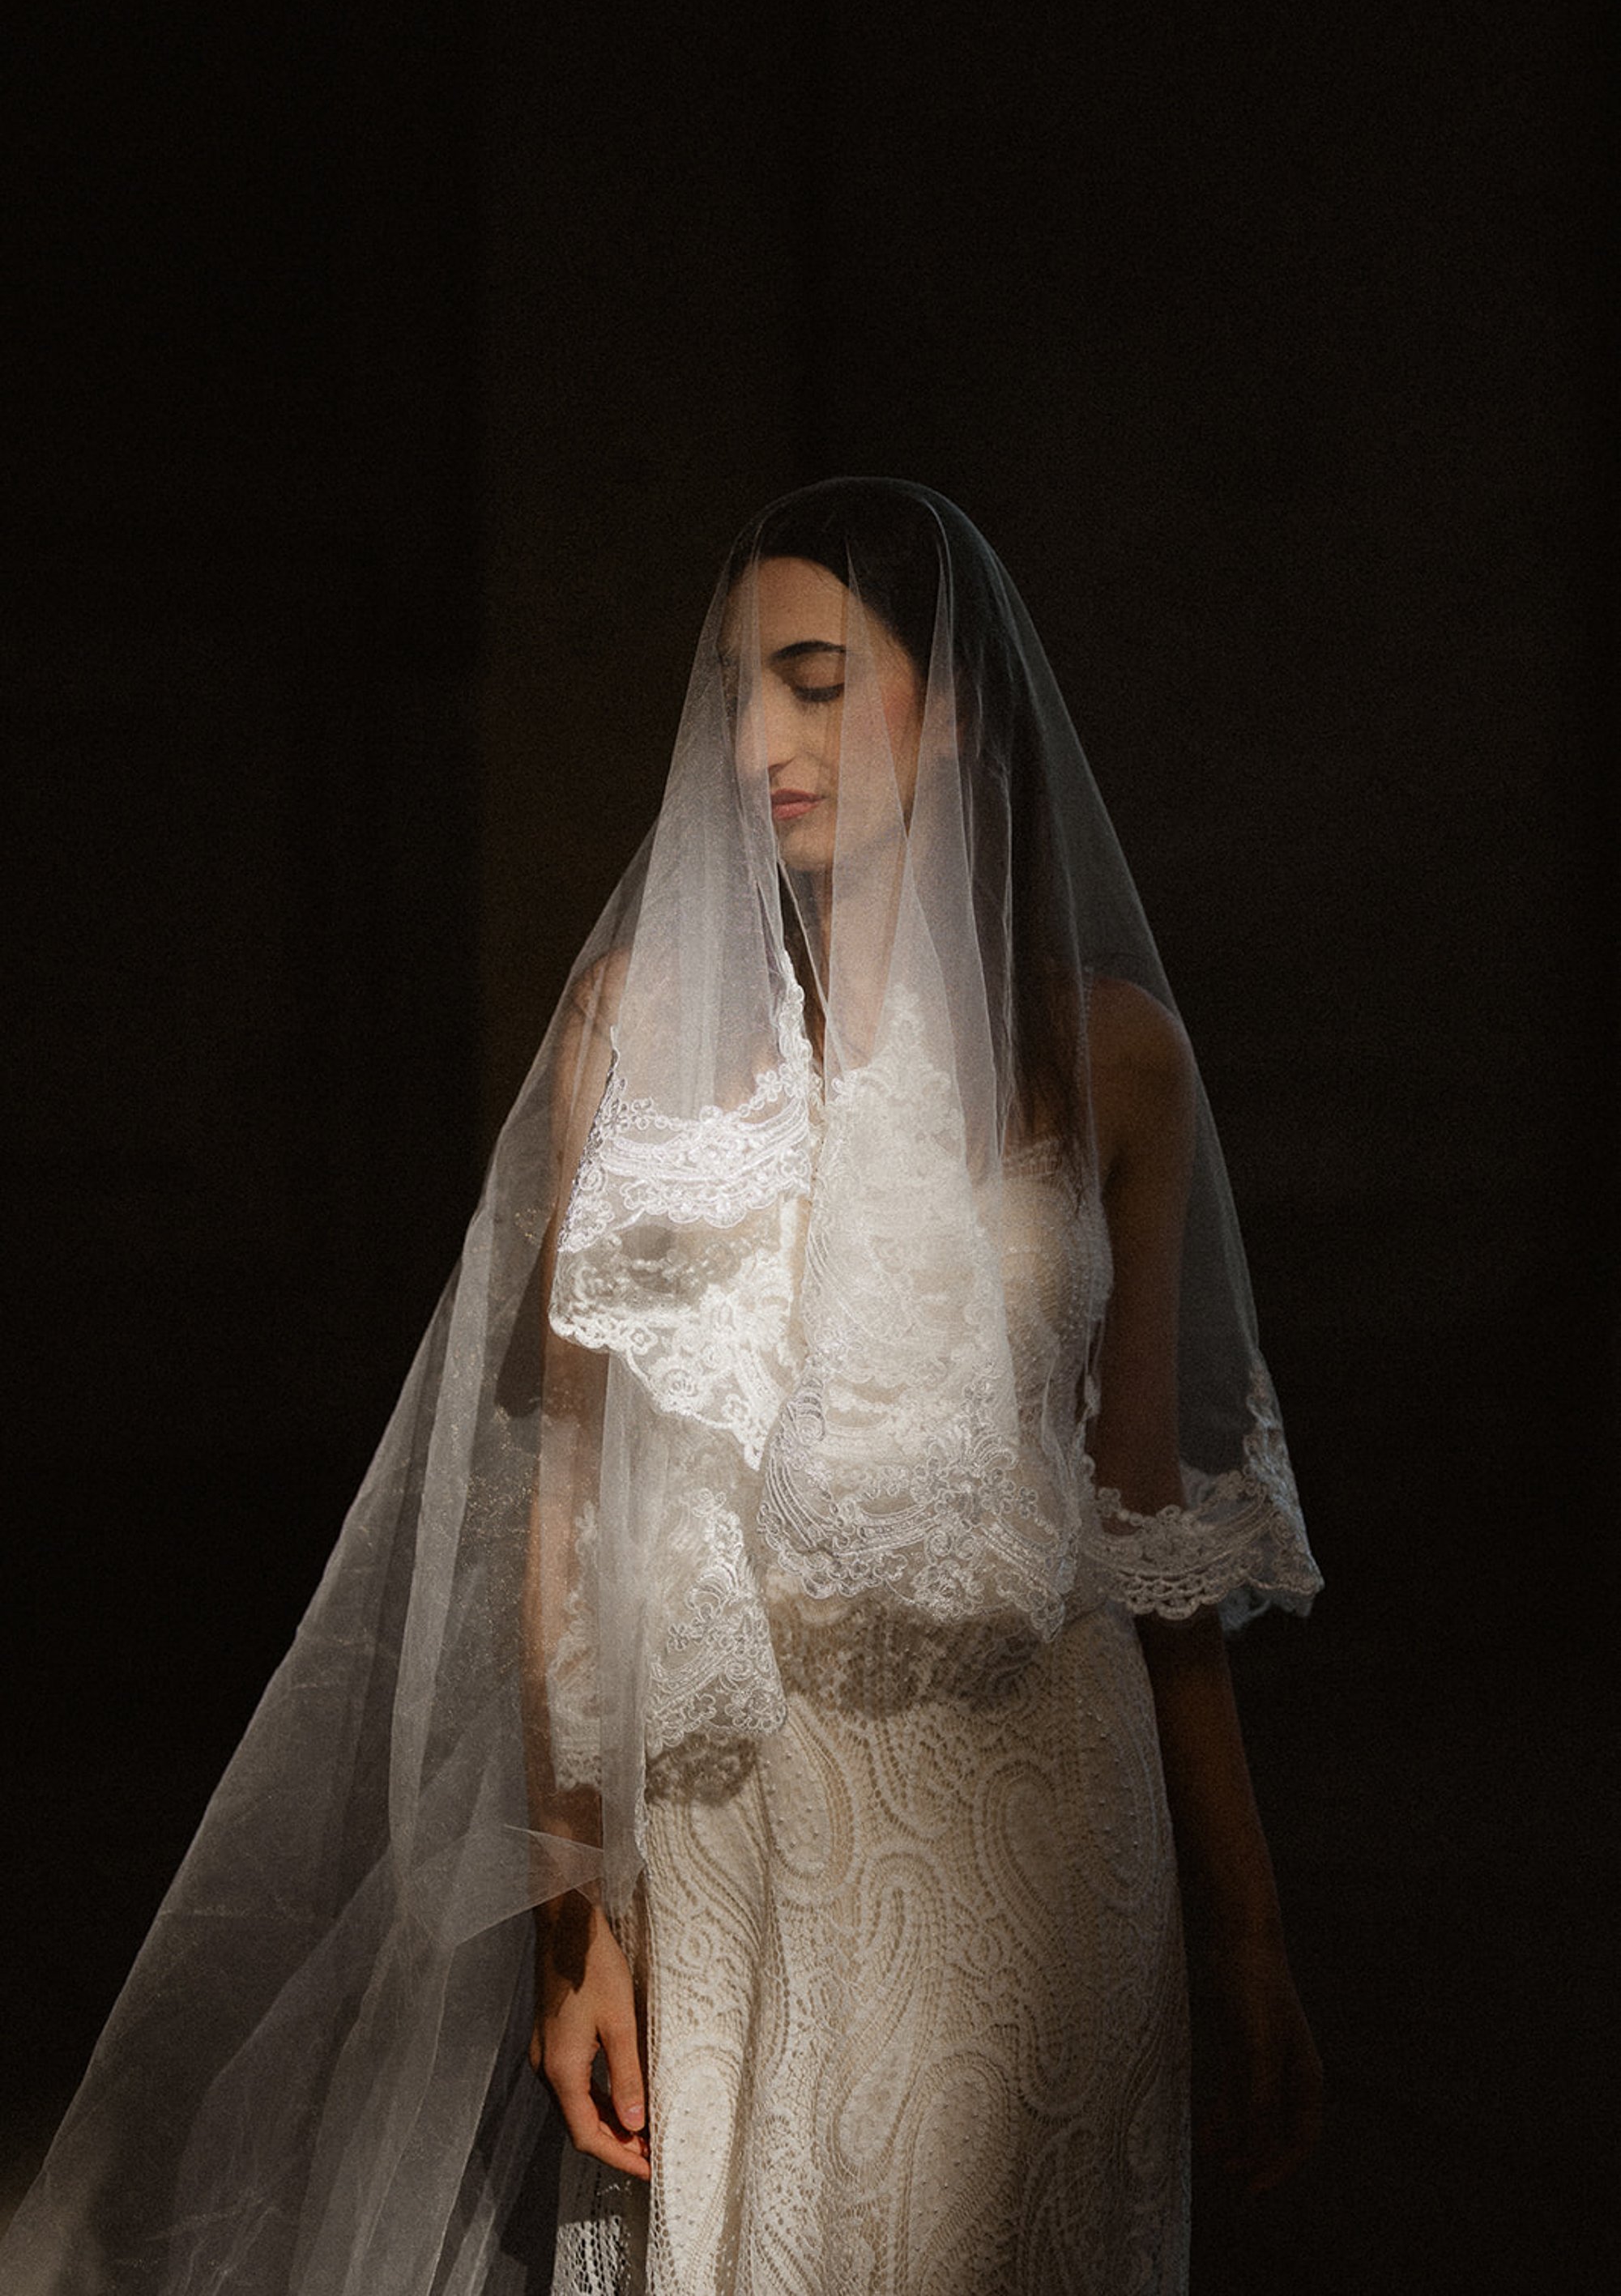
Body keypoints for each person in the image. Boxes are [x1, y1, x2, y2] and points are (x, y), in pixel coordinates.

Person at [1, 480, 1320, 2296]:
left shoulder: (1110, 1060)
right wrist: (569, 1920)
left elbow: (1145, 1527)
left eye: (810, 680)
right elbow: (562, 1507)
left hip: (1040, 1821)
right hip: (737, 1815)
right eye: (732, 694)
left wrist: (1242, 1932)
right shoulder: (636, 1026)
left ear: (952, 710)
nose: (756, 739)